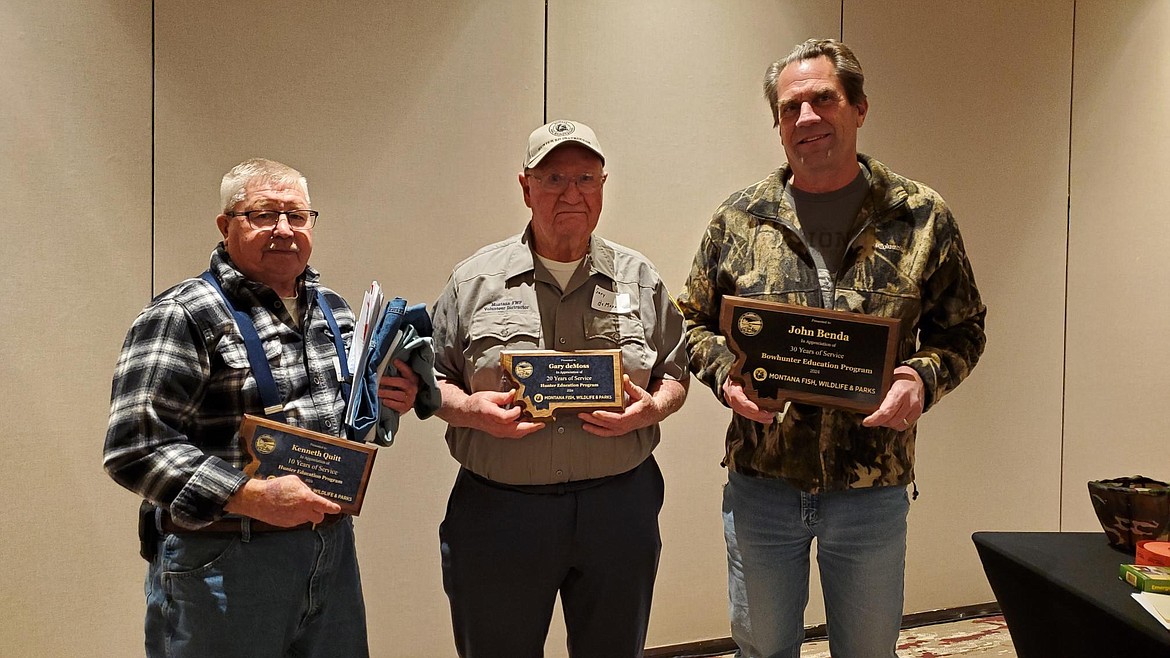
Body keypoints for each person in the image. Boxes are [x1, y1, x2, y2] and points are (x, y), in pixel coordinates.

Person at [677, 39, 987, 657]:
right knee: (762, 649)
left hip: (872, 489)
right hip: (762, 484)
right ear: (778, 122)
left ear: (860, 107)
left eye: (824, 99)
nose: (807, 119)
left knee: (868, 651)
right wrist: (724, 375)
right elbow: (691, 322)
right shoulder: (739, 219)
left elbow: (964, 329)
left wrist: (921, 379)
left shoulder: (921, 217)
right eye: (791, 108)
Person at [104, 158, 420, 657]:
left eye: (297, 216)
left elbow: (340, 417)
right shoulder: (182, 314)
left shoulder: (333, 310)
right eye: (263, 214)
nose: (284, 230)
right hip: (225, 556)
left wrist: (385, 400)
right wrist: (250, 495)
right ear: (225, 225)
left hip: (329, 550)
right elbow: (136, 447)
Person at [431, 119, 689, 657]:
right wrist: (472, 410)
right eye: (553, 179)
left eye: (585, 179)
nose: (571, 193)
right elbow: (432, 381)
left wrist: (651, 409)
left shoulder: (639, 278)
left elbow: (675, 374)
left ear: (602, 186)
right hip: (501, 512)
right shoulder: (474, 281)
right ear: (526, 188)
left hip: (618, 508)